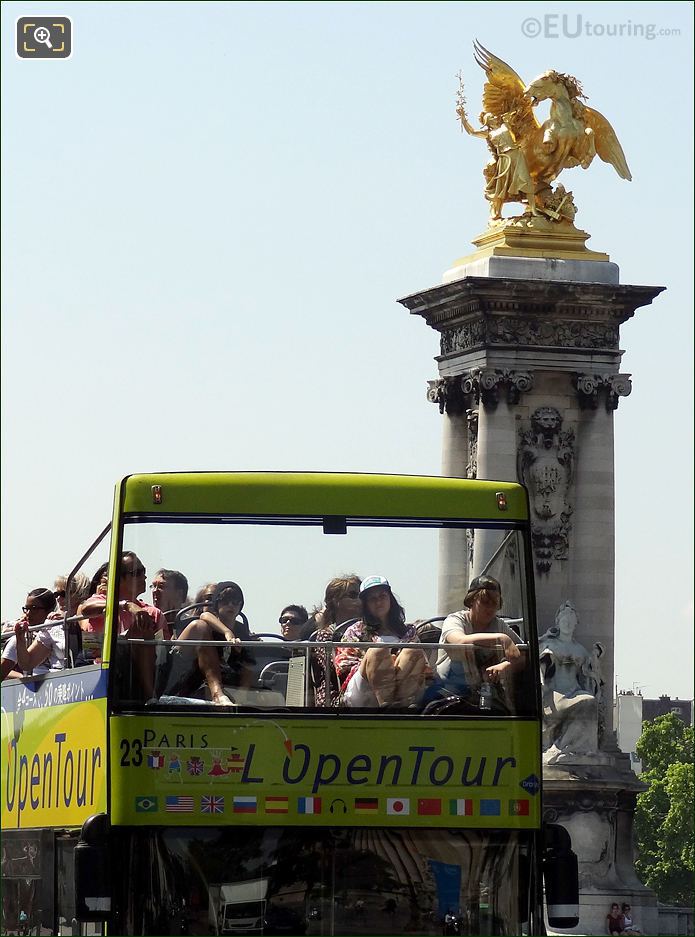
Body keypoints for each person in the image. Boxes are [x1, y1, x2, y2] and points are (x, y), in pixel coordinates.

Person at [334, 576, 426, 708]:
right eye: (372, 599)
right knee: (378, 651)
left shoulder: (408, 631)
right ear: (365, 605)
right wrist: (383, 664)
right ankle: (386, 706)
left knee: (413, 651)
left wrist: (393, 667)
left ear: (390, 599)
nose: (378, 602)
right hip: (363, 691)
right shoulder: (355, 631)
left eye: (382, 596)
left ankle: (404, 707)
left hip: (401, 684)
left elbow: (422, 664)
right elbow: (343, 666)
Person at [436, 575, 525, 710]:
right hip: (447, 697)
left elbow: (524, 655)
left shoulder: (499, 625)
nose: (490, 608)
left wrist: (506, 666)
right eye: (484, 601)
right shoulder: (455, 620)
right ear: (471, 600)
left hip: (486, 699)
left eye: (494, 602)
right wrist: (502, 639)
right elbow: (460, 641)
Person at [165, 581, 255, 706]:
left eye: (235, 601)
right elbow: (205, 615)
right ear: (216, 604)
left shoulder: (242, 631)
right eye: (225, 600)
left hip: (229, 685)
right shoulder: (203, 626)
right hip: (190, 680)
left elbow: (248, 666)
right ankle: (217, 695)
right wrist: (227, 632)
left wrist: (243, 694)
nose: (231, 605)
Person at [539, 601, 603, 760]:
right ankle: (562, 747)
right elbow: (540, 673)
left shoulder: (580, 650)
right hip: (553, 697)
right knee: (587, 701)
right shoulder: (549, 644)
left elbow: (589, 677)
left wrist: (594, 660)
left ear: (576, 623)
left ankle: (570, 748)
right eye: (564, 619)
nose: (567, 622)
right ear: (558, 622)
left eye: (571, 619)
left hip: (575, 692)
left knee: (590, 701)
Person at [458, 108, 537, 219]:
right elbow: (472, 132)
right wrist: (463, 118)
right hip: (504, 160)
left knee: (526, 181)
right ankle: (496, 213)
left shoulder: (505, 125)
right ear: (487, 122)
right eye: (491, 117)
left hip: (517, 155)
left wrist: (518, 111)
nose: (495, 117)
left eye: (494, 116)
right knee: (501, 188)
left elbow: (516, 114)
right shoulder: (488, 133)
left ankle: (533, 210)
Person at [310, 575, 362, 705]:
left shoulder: (369, 632)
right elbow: (336, 670)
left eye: (362, 595)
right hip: (335, 699)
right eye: (353, 595)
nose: (360, 600)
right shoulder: (326, 635)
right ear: (335, 601)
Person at [1, 588, 63, 679]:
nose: (28, 613)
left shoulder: (58, 629)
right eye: (26, 609)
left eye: (34, 609)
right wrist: (22, 677)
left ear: (49, 610)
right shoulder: (21, 637)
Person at [150, 568, 189, 634]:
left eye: (161, 586)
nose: (155, 591)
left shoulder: (190, 624)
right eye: (153, 586)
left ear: (179, 594)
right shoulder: (147, 623)